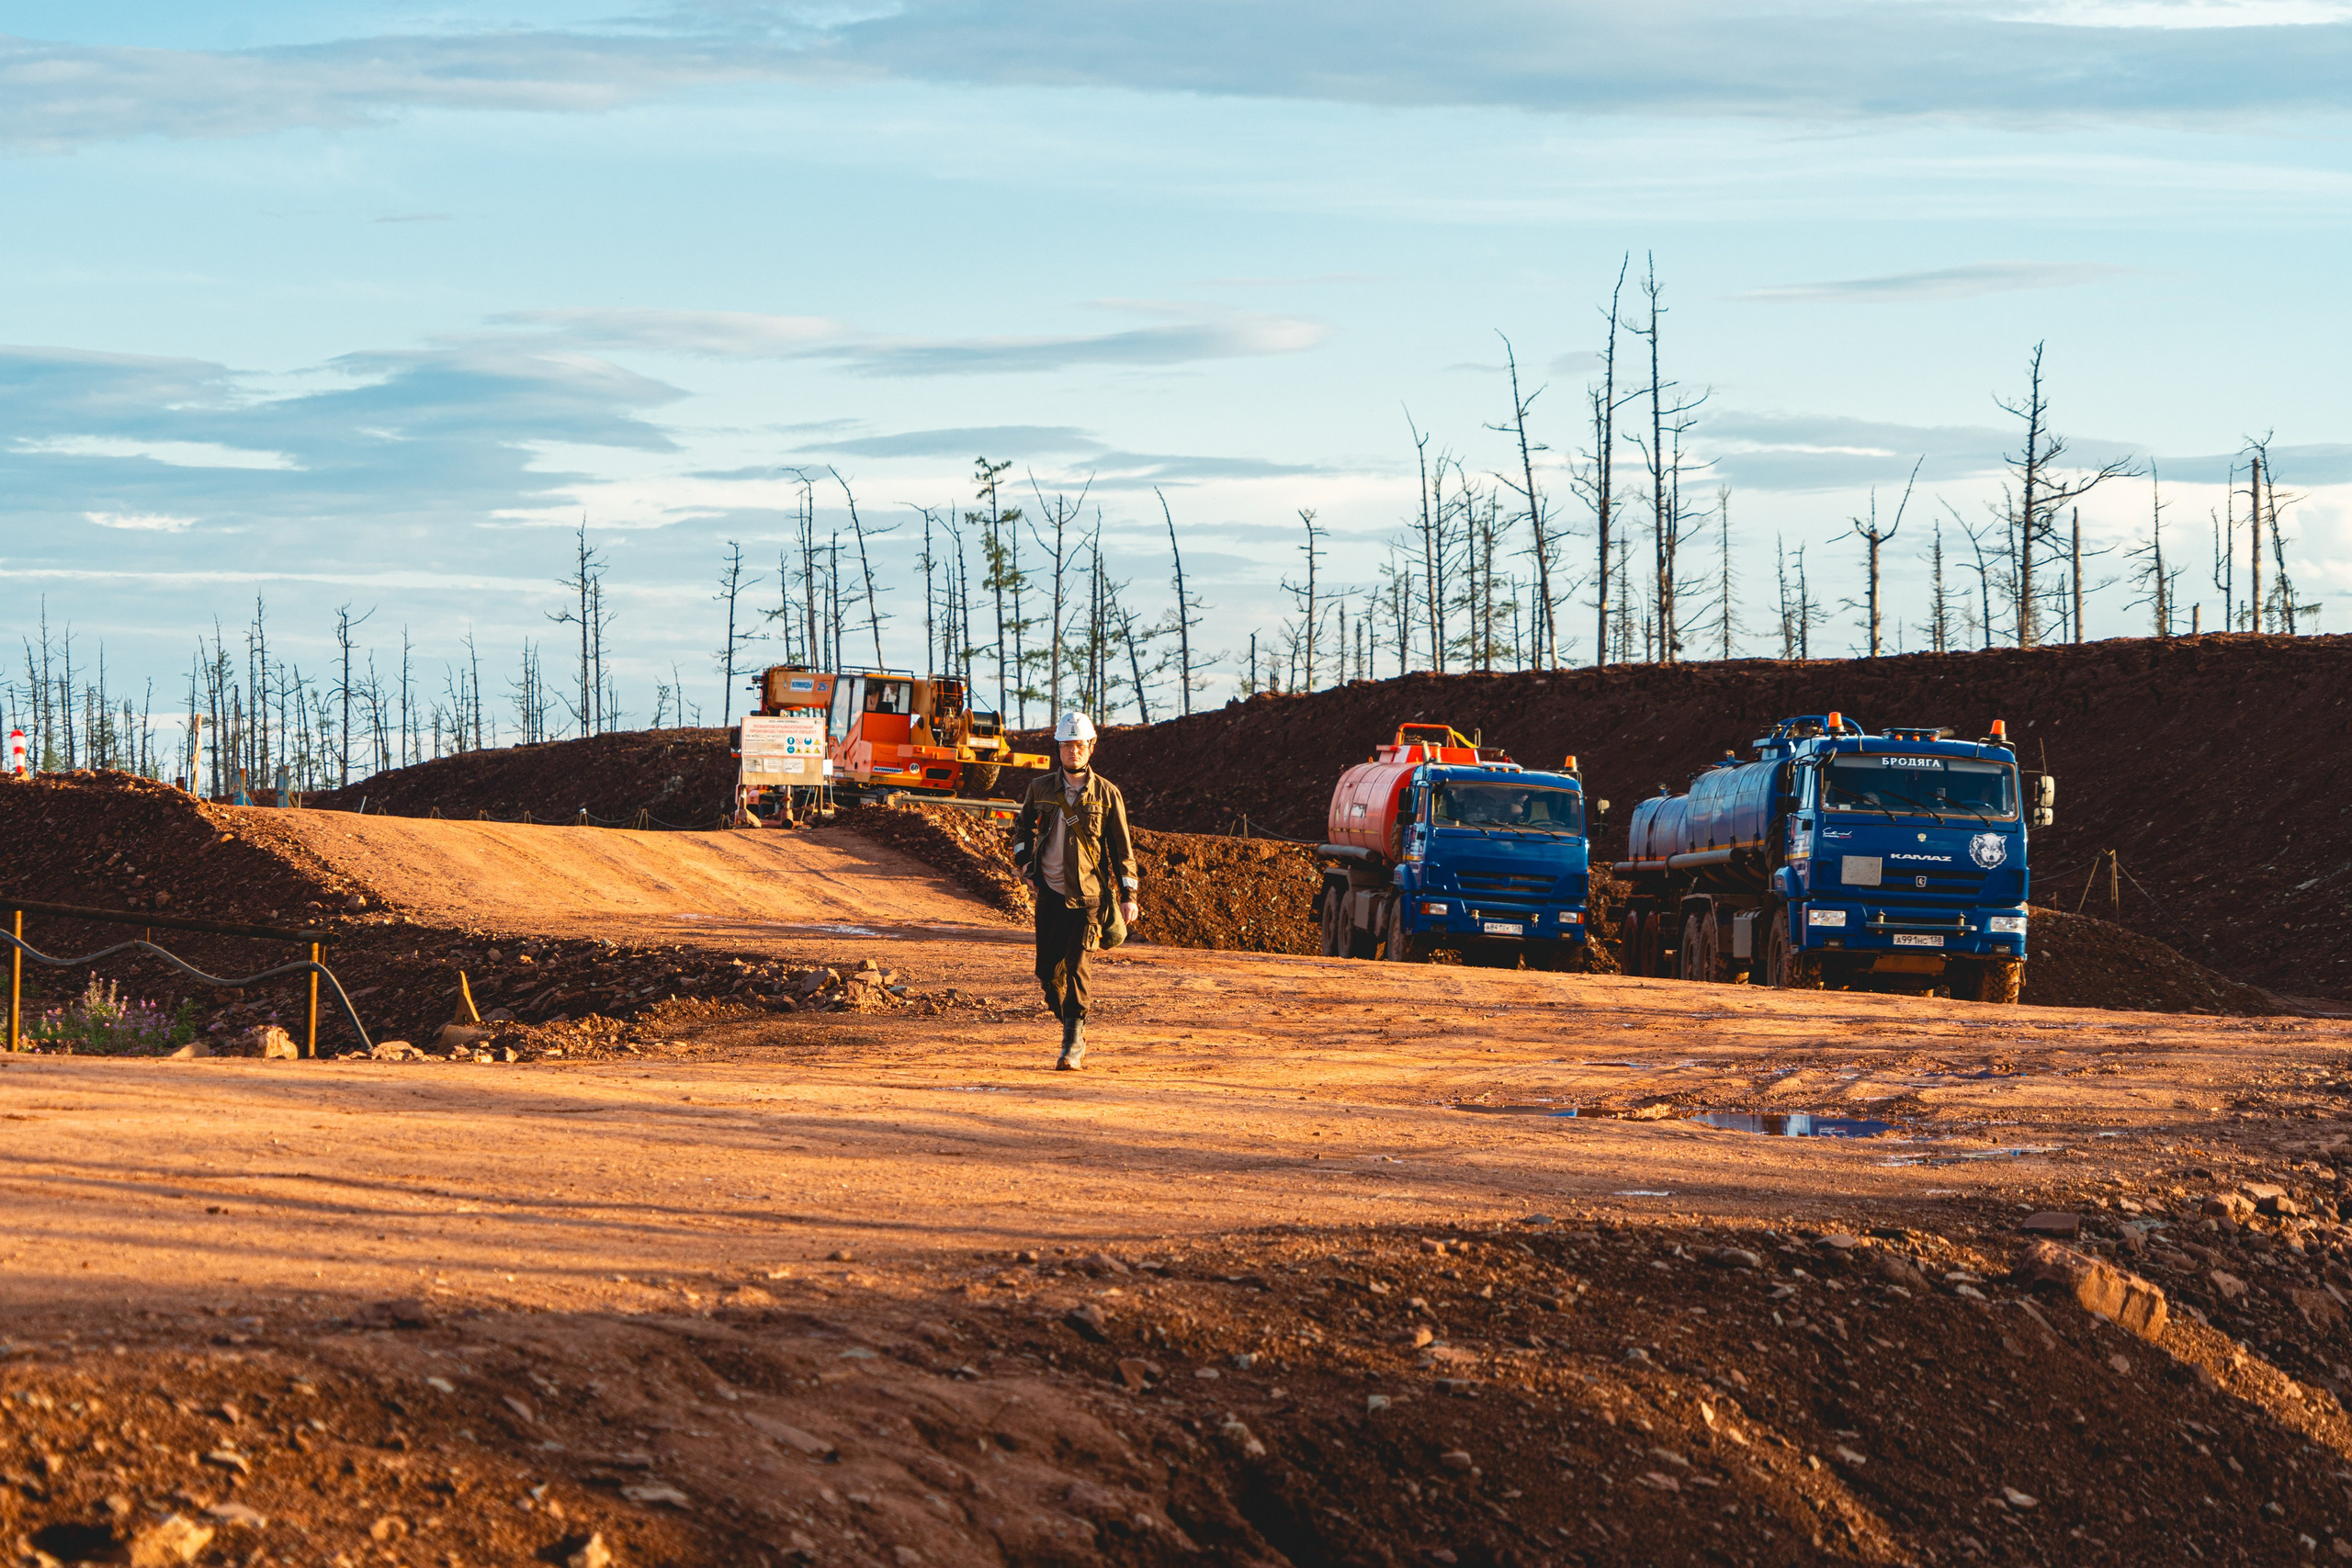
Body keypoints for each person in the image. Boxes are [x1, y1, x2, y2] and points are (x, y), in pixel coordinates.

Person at [1010, 712, 1139, 1071]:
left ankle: (1072, 1043)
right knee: (1048, 974)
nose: (1073, 751)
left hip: (1089, 899)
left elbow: (1122, 850)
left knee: (1079, 966)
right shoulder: (1040, 788)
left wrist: (1128, 896)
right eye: (1067, 745)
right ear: (1058, 748)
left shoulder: (1108, 794)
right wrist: (1025, 864)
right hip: (1050, 894)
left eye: (1079, 745)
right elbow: (1022, 829)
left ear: (1091, 747)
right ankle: (1072, 1022)